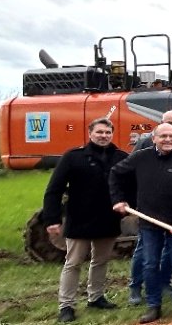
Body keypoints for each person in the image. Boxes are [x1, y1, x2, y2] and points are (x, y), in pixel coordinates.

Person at [110, 123, 172, 323]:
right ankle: (153, 306)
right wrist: (118, 199)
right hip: (149, 222)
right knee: (150, 263)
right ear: (154, 139)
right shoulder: (141, 157)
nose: (168, 139)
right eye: (163, 136)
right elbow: (116, 173)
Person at [42, 117, 128, 322]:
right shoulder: (73, 157)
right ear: (90, 133)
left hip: (108, 219)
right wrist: (52, 218)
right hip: (79, 219)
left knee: (101, 260)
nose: (103, 136)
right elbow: (54, 190)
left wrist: (128, 204)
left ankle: (96, 297)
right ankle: (66, 305)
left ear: (112, 134)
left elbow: (131, 184)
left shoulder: (121, 157)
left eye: (107, 133)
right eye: (99, 132)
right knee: (73, 263)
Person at [127, 110, 172, 305]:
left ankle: (163, 283)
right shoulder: (146, 144)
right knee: (144, 252)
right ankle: (136, 286)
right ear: (160, 124)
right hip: (150, 210)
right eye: (169, 123)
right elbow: (130, 172)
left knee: (171, 253)